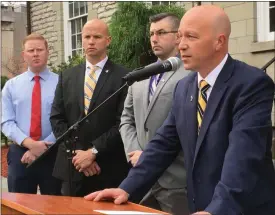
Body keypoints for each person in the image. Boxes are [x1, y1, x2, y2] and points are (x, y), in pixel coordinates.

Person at [84, 5, 275, 215]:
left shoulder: (251, 84)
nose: (181, 45)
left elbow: (243, 155)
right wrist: (126, 188)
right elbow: (163, 143)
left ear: (219, 41)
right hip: (199, 205)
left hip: (239, 208)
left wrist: (218, 209)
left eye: (191, 37)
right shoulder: (184, 87)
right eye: (180, 36)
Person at [50, 19, 130, 197]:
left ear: (108, 40)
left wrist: (94, 152)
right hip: (73, 168)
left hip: (108, 168)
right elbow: (57, 119)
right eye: (86, 37)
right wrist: (80, 155)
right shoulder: (67, 76)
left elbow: (123, 122)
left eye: (97, 36)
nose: (91, 41)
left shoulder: (124, 77)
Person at [120, 13, 190, 215]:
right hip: (141, 179)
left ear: (178, 36)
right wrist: (135, 153)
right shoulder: (141, 74)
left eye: (161, 32)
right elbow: (126, 119)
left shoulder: (191, 74)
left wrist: (149, 156)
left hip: (175, 181)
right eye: (151, 33)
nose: (154, 38)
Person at [1, 33, 61, 195]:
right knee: (20, 205)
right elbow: (6, 122)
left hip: (53, 153)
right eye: (31, 50)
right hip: (21, 154)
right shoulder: (11, 86)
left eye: (40, 49)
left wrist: (43, 146)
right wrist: (31, 144)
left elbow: (66, 119)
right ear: (24, 55)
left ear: (48, 52)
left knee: (54, 206)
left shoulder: (62, 83)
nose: (35, 54)